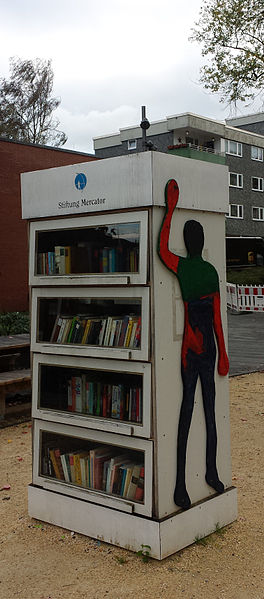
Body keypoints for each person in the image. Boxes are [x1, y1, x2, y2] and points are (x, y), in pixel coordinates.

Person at [158, 179, 229, 510]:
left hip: (189, 350)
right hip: (209, 350)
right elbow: (217, 319)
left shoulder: (184, 268)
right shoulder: (209, 272)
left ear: (187, 243)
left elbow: (161, 250)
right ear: (201, 242)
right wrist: (224, 356)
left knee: (186, 415)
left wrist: (170, 209)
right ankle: (212, 474)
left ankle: (180, 487)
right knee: (209, 414)